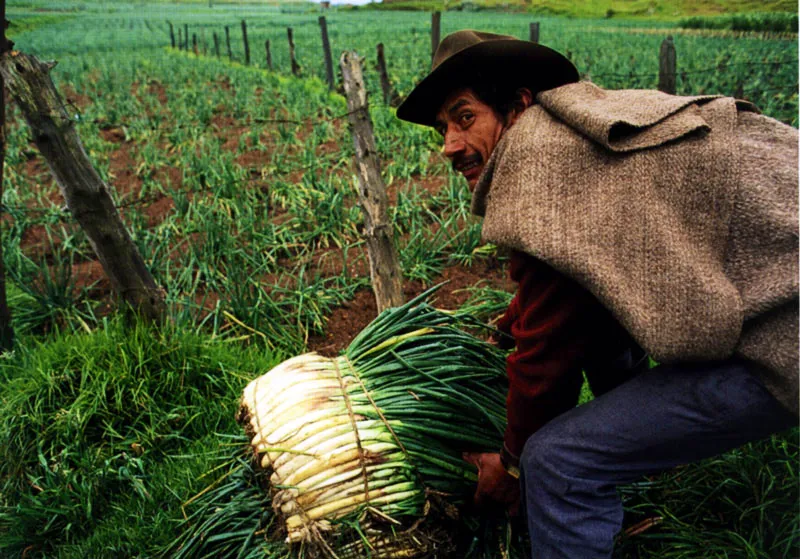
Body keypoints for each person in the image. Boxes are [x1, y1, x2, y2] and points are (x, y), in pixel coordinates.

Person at [396, 30, 798, 558]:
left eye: (464, 117)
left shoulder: (536, 163)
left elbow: (546, 363)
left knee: (557, 461)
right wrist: (505, 328)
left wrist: (514, 463)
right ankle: (641, 460)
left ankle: (593, 478)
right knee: (601, 327)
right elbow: (571, 280)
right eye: (443, 128)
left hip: (784, 336)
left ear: (516, 106)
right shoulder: (583, 121)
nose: (449, 144)